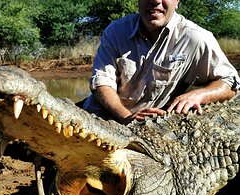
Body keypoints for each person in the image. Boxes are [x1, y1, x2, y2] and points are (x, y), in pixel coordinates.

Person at [82, 0, 240, 124]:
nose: (155, 0)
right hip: (100, 119)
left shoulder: (196, 38)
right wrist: (127, 118)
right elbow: (102, 83)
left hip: (151, 129)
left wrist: (198, 95)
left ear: (177, 1)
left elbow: (231, 82)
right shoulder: (116, 31)